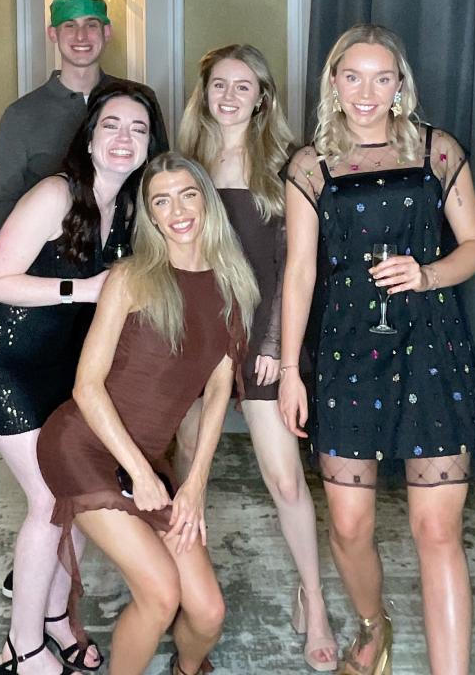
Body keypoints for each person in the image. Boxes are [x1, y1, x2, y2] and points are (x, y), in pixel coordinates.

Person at [279, 24, 475, 675]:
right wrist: (290, 370)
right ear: (333, 83)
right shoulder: (310, 164)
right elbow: (299, 273)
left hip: (431, 345)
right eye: (353, 76)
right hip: (348, 352)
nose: (366, 92)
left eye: (382, 78)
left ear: (400, 85)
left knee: (437, 530)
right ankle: (374, 625)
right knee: (349, 525)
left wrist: (428, 274)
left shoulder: (437, 150)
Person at [0, 81, 162, 675]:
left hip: (58, 366)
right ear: (89, 139)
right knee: (48, 498)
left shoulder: (129, 212)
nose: (123, 138)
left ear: (149, 146)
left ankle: (54, 620)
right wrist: (85, 288)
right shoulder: (55, 194)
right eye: (111, 125)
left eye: (138, 129)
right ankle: (21, 649)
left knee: (72, 492)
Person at [36, 152, 260, 675]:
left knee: (207, 613)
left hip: (149, 460)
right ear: (151, 216)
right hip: (86, 446)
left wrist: (194, 485)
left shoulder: (233, 284)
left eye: (187, 195)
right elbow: (87, 388)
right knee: (160, 594)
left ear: (206, 201)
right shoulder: (132, 277)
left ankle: (186, 670)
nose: (177, 211)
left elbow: (219, 386)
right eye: (162, 201)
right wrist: (139, 474)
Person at [176, 44, 338, 672]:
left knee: (285, 479)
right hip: (199, 336)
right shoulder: (186, 161)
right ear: (205, 92)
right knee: (188, 468)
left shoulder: (289, 162)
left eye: (243, 86)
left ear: (263, 96)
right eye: (220, 84)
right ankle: (189, 592)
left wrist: (275, 345)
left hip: (264, 336)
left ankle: (314, 600)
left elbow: (295, 264)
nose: (230, 96)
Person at [0, 0, 168, 230]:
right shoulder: (20, 115)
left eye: (91, 25)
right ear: (53, 33)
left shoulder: (140, 100)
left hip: (129, 247)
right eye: (69, 25)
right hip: (54, 251)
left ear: (107, 32)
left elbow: (162, 180)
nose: (81, 36)